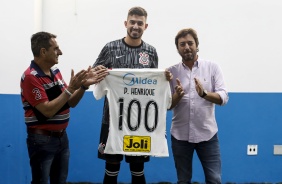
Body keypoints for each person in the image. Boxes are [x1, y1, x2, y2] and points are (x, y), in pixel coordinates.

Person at [92, 6, 172, 184]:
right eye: (132, 22)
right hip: (112, 120)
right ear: (125, 23)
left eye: (140, 23)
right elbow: (92, 74)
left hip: (140, 123)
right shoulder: (110, 48)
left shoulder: (151, 52)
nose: (136, 26)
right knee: (111, 167)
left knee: (138, 169)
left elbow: (154, 85)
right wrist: (97, 72)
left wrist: (164, 78)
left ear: (146, 26)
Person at [20, 31, 108, 184]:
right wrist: (70, 89)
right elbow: (47, 110)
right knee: (40, 181)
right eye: (55, 49)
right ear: (43, 51)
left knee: (60, 180)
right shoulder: (30, 77)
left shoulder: (55, 72)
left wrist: (82, 86)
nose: (60, 52)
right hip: (41, 140)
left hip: (62, 138)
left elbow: (70, 102)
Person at [167, 28, 229, 184]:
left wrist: (204, 94)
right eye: (182, 44)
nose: (186, 47)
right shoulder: (170, 73)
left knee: (214, 179)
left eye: (190, 43)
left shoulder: (212, 67)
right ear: (177, 48)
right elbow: (167, 105)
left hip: (208, 135)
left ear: (197, 45)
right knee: (183, 180)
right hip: (180, 136)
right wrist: (177, 96)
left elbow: (223, 97)